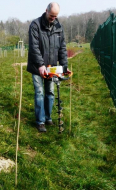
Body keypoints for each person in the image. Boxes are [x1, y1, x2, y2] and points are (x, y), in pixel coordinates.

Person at [27, 2, 69, 132]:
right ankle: (40, 122)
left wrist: (64, 67)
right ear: (46, 11)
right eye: (51, 15)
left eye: (55, 16)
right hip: (37, 67)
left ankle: (48, 117)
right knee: (39, 93)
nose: (53, 18)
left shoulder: (58, 27)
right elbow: (34, 48)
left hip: (51, 68)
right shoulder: (35, 25)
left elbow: (62, 48)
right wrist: (40, 65)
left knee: (50, 93)